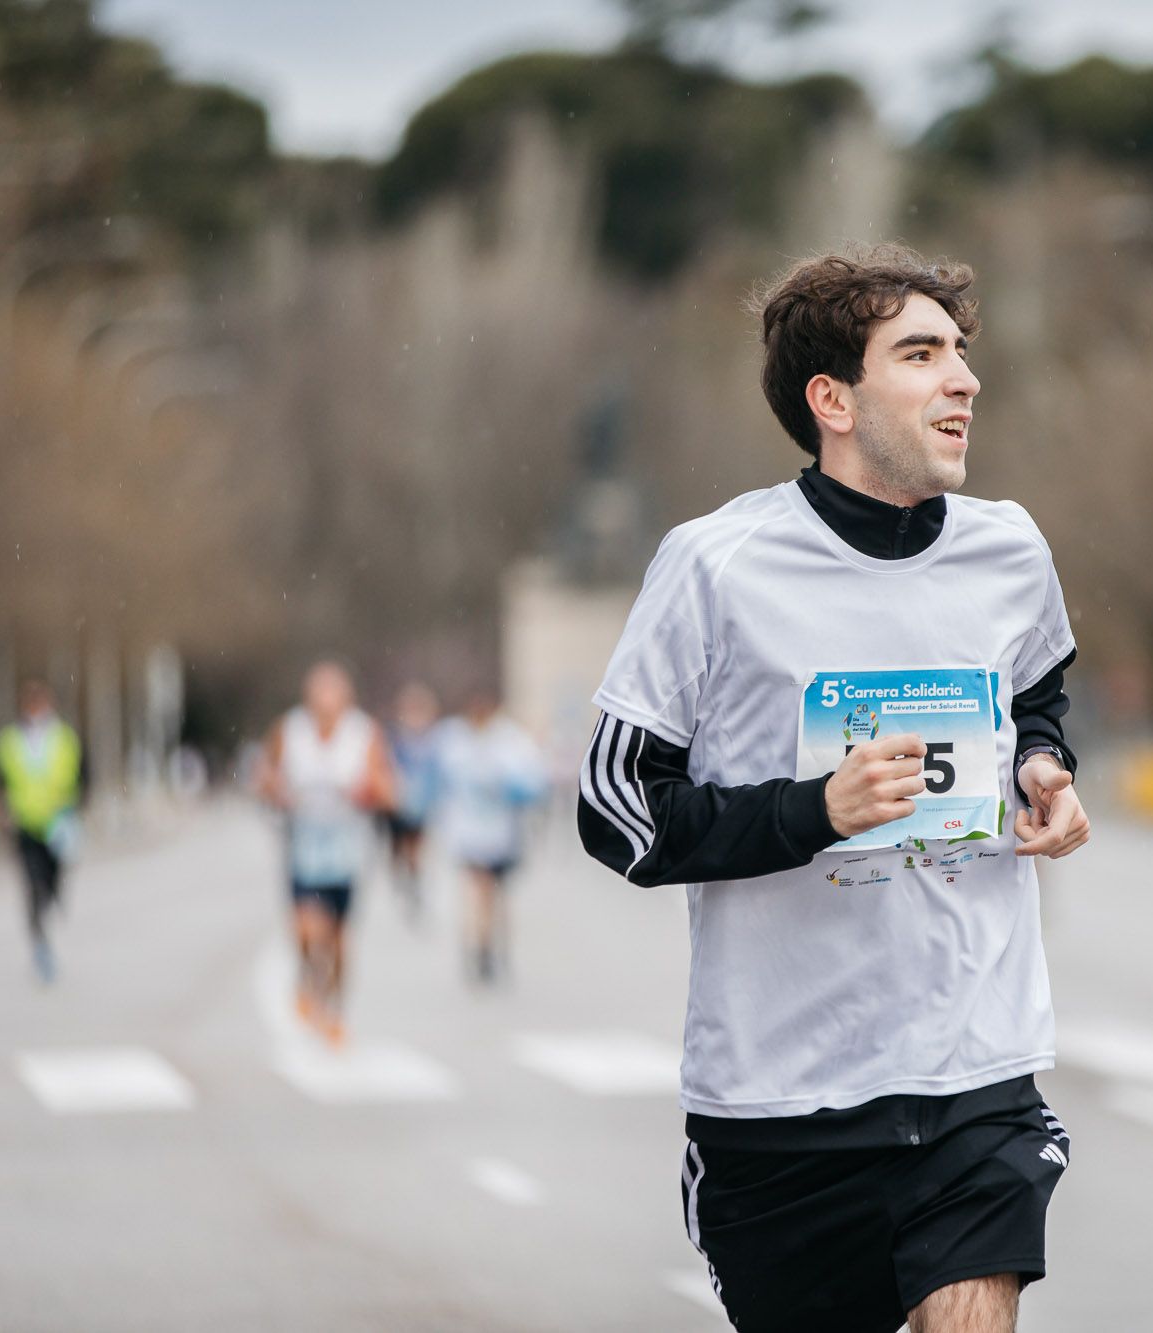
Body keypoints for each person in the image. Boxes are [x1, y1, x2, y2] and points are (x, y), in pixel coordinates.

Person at [577, 245, 1089, 1333]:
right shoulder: (715, 565)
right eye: (920, 354)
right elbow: (616, 810)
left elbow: (1035, 690)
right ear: (833, 399)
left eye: (959, 352)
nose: (963, 379)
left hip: (971, 1075)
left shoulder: (1009, 549)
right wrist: (815, 810)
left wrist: (1044, 767)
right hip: (779, 1104)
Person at [257, 662, 394, 1045]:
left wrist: (370, 790)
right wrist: (275, 790)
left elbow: (390, 789)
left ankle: (333, 1008)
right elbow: (264, 774)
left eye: (333, 693)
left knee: (338, 942)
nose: (326, 702)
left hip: (348, 852)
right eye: (320, 693)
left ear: (346, 699)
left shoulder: (363, 734)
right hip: (304, 849)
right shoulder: (290, 731)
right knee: (304, 931)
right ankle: (305, 977)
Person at [435, 690, 547, 985]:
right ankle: (479, 947)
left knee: (496, 896)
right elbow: (440, 782)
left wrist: (508, 786)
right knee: (478, 892)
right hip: (469, 834)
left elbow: (533, 783)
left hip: (502, 835)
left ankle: (494, 947)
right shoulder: (454, 740)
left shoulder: (510, 740)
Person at [0, 681, 84, 983]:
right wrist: (2, 808)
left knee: (53, 882)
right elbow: (0, 778)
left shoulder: (64, 737)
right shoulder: (10, 740)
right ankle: (40, 943)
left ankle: (47, 908)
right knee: (33, 887)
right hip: (26, 824)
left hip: (58, 824)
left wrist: (77, 804)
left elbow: (82, 772)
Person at [384, 682, 443, 922]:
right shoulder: (395, 737)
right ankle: (403, 874)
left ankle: (414, 877)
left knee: (416, 845)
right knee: (398, 846)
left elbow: (437, 771)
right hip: (397, 802)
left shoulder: (433, 739)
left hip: (421, 804)